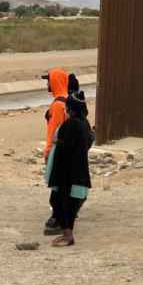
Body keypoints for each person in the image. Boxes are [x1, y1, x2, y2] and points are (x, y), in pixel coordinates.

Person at [46, 92, 92, 247]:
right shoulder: (84, 123)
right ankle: (67, 233)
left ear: (71, 108)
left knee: (60, 201)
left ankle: (68, 235)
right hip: (78, 169)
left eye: (68, 107)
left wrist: (57, 143)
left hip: (67, 172)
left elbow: (65, 149)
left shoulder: (71, 124)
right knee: (70, 203)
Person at [42, 69, 69, 234]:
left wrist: (47, 151)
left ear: (55, 82)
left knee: (57, 187)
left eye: (49, 80)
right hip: (67, 150)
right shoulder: (68, 99)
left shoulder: (58, 105)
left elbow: (54, 130)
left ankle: (58, 220)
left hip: (58, 151)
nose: (47, 84)